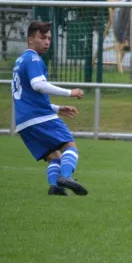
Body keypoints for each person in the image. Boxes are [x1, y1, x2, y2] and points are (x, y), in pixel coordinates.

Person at [12, 21, 88, 196]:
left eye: (49, 38)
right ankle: (66, 177)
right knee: (70, 145)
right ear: (30, 40)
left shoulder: (20, 61)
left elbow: (28, 95)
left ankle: (55, 187)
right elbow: (38, 85)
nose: (47, 42)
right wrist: (69, 92)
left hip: (24, 122)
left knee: (54, 156)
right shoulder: (33, 58)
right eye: (42, 37)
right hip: (39, 117)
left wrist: (56, 108)